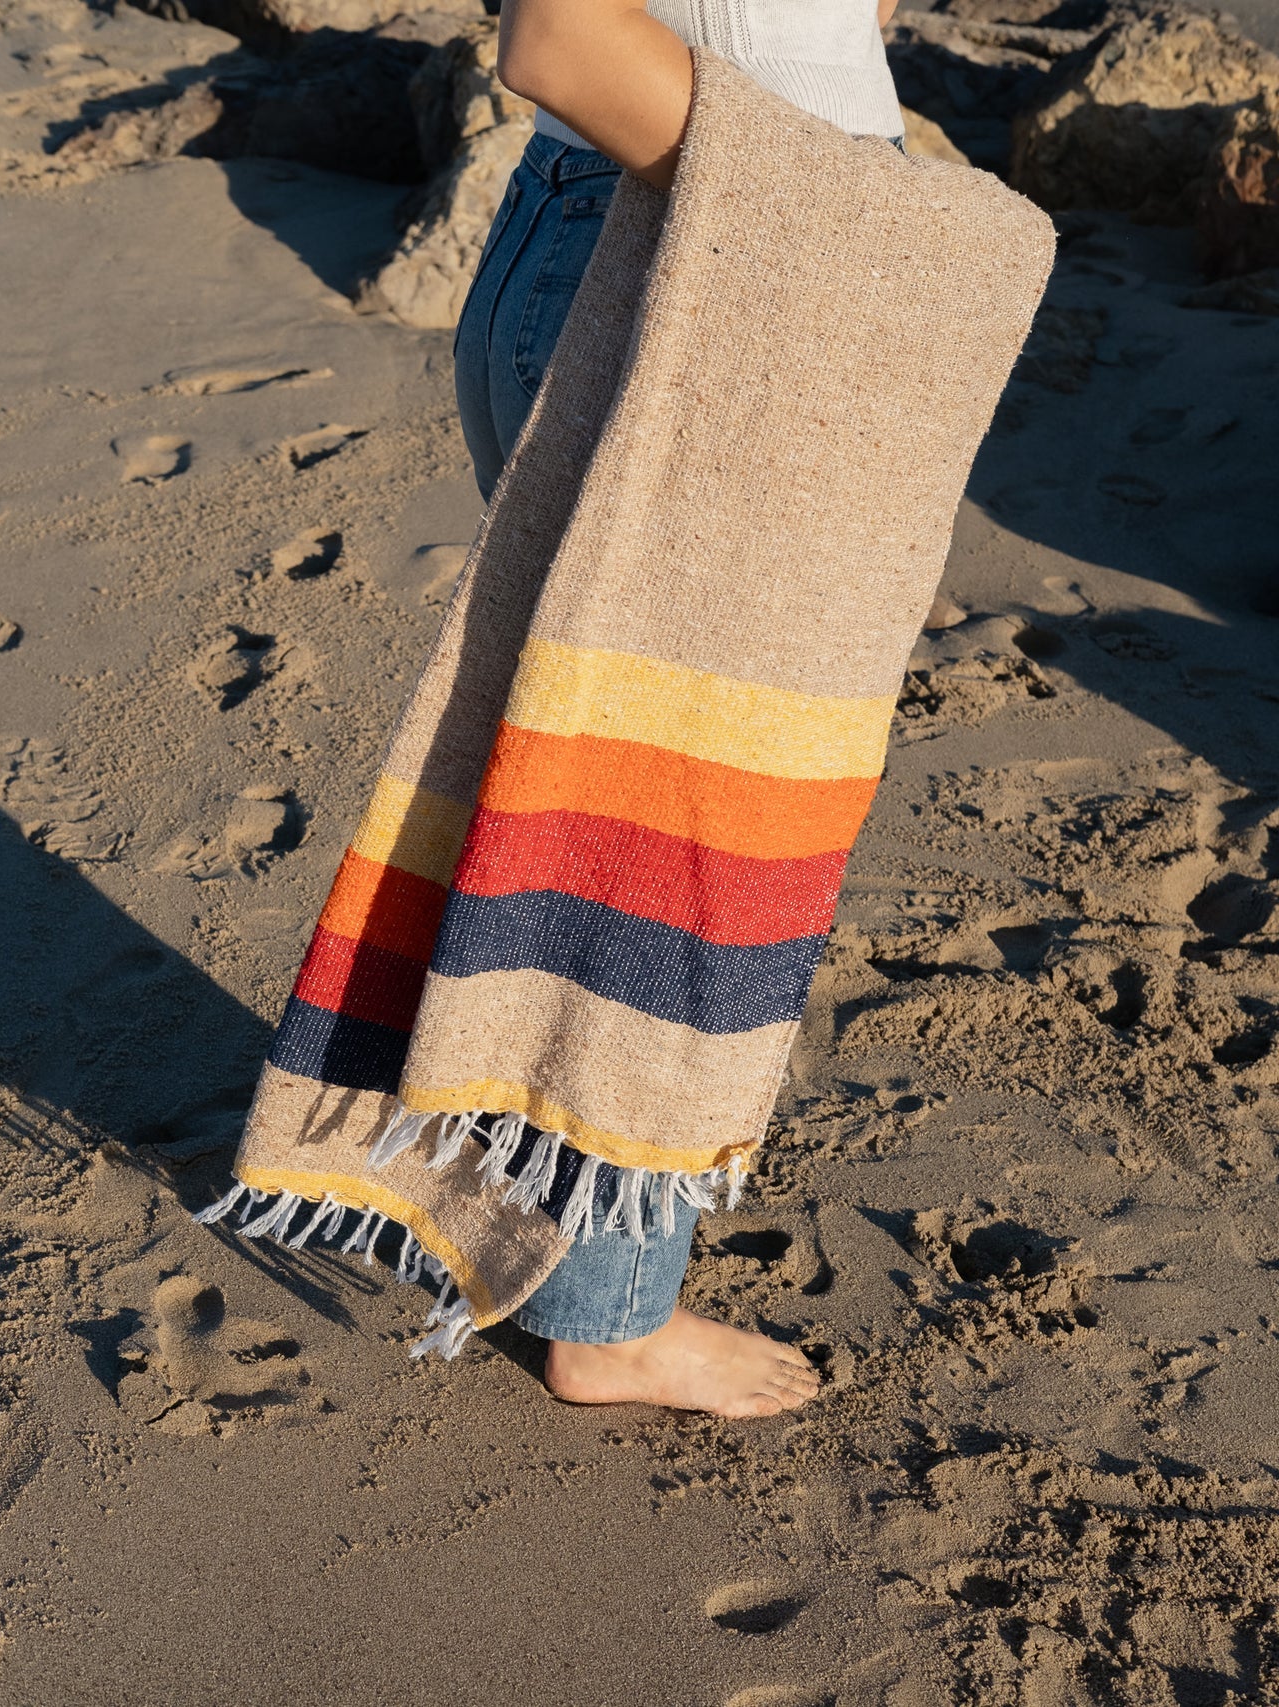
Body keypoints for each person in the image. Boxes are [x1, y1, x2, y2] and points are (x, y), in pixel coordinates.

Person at [449, 0, 904, 1419]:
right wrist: (837, 210)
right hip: (693, 261)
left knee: (632, 810)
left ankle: (556, 1238)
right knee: (674, 833)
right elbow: (561, 35)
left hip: (671, 237)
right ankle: (609, 1318)